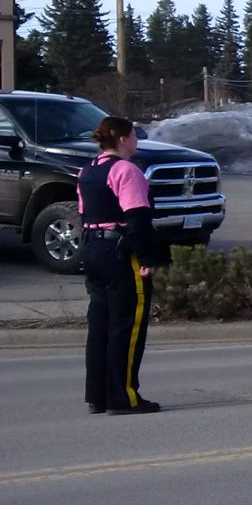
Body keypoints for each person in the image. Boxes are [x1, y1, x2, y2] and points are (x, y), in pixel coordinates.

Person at [78, 116, 162, 415]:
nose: (137, 141)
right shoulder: (126, 170)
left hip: (92, 246)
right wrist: (148, 258)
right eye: (135, 136)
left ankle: (97, 396)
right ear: (124, 139)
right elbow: (137, 219)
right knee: (126, 325)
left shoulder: (88, 170)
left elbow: (83, 213)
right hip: (119, 251)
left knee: (99, 324)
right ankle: (123, 396)